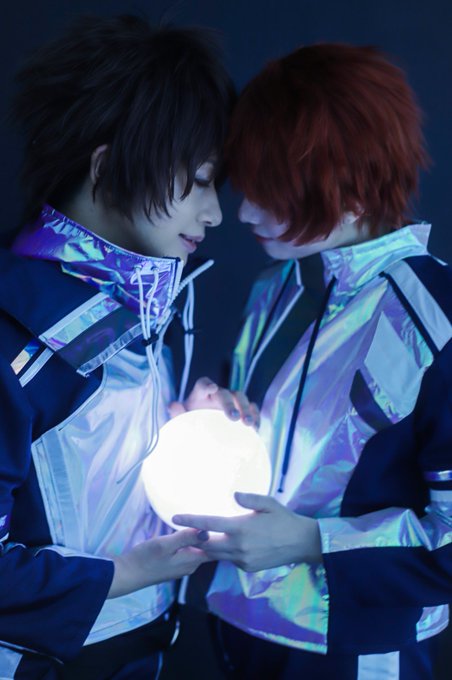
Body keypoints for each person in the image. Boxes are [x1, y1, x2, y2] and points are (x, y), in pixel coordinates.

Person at [173, 44, 452, 679]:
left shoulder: (436, 319)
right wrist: (216, 414)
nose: (243, 212)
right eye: (247, 184)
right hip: (234, 627)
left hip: (358, 651)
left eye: (272, 192)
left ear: (351, 186)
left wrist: (310, 540)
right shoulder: (277, 286)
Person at [0, 14, 256, 679]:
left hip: (146, 648)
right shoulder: (15, 327)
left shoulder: (148, 298)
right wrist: (129, 572)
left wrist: (185, 430)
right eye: (200, 179)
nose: (215, 213)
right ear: (109, 167)